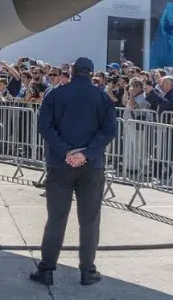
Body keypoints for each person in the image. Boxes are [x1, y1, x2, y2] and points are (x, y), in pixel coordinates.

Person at [30, 57, 117, 288]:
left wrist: (65, 151)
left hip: (60, 164)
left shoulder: (55, 94)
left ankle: (46, 270)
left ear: (72, 71)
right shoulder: (102, 98)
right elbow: (109, 131)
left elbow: (45, 127)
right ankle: (88, 271)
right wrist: (86, 153)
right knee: (89, 220)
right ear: (92, 73)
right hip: (92, 166)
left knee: (56, 218)